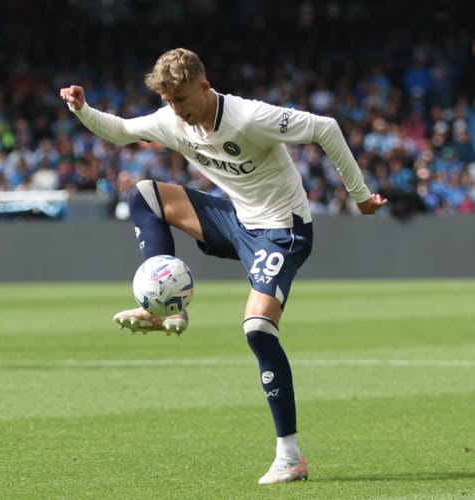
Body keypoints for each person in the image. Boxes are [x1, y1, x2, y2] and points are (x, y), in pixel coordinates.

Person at [59, 48, 387, 484]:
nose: (176, 112)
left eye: (182, 102)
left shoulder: (250, 117)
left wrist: (360, 195)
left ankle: (290, 455)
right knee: (144, 195)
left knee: (257, 330)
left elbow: (325, 128)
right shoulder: (172, 119)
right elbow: (119, 131)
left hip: (283, 231)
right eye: (170, 103)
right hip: (236, 221)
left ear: (204, 86)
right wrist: (82, 109)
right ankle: (168, 303)